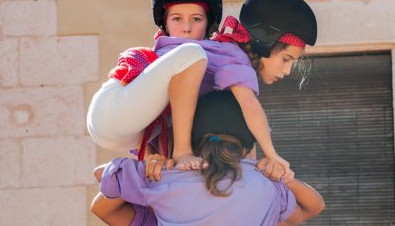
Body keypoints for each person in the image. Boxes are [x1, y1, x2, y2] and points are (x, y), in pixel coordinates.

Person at [87, 0, 291, 173]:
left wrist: (151, 157)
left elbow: (237, 118)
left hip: (123, 132)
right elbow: (248, 105)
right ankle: (182, 151)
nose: (186, 27)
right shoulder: (198, 55)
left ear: (208, 23)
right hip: (110, 108)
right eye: (177, 18)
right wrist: (272, 155)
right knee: (192, 53)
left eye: (196, 19)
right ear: (164, 24)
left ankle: (179, 154)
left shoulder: (200, 62)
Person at [93, 91, 325, 226]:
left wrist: (149, 168)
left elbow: (101, 184)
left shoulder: (167, 180)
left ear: (190, 143)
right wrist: (281, 174)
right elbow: (312, 208)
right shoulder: (267, 186)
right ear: (247, 147)